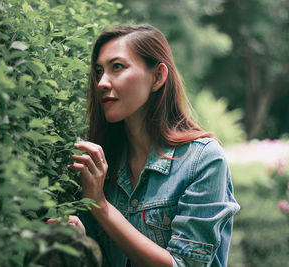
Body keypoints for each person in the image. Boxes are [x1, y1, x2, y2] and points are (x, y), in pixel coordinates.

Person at [67, 24, 240, 267]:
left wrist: (102, 207)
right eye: (98, 71)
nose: (101, 83)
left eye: (117, 67)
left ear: (158, 76)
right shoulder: (102, 164)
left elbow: (185, 265)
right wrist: (78, 238)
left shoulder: (203, 160)